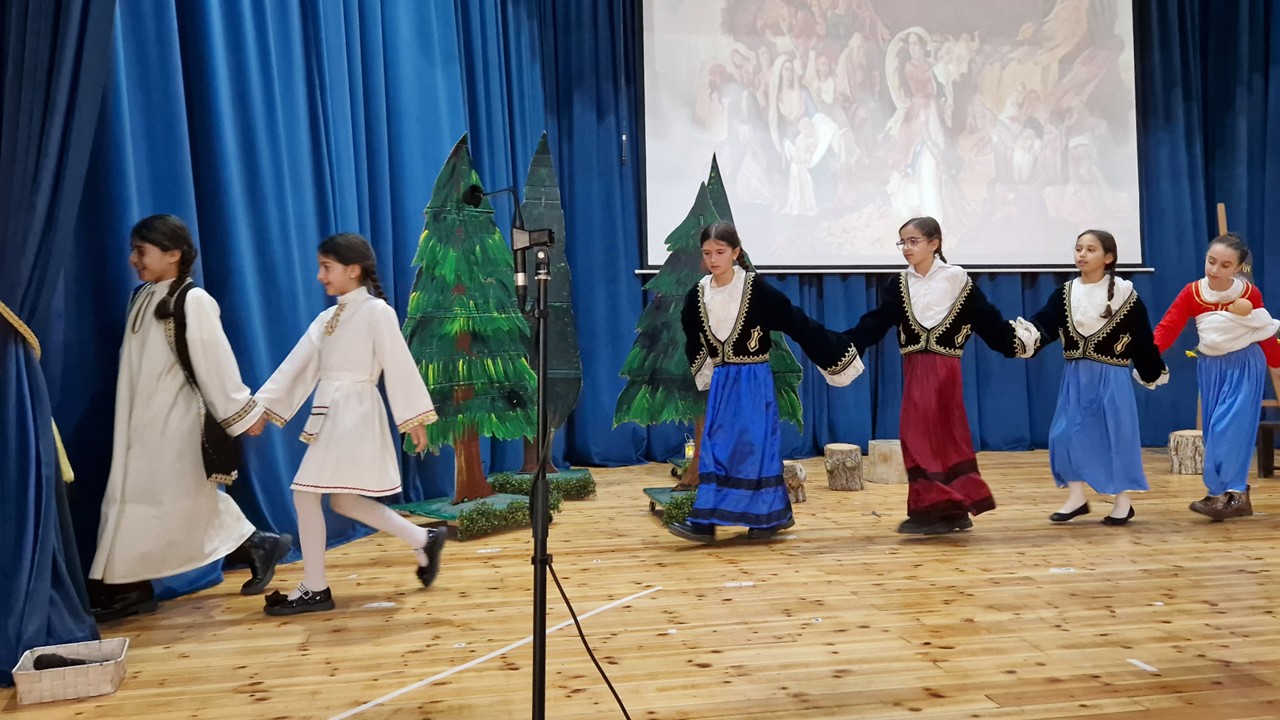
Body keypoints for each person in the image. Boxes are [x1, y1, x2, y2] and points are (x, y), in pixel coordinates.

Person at [90, 214, 290, 622]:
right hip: (141, 422)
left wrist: (242, 414)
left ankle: (131, 587)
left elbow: (215, 363)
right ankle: (256, 544)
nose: (132, 260)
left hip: (175, 423)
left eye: (141, 251)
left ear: (173, 254)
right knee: (155, 501)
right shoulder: (142, 296)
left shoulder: (192, 300)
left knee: (162, 502)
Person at [254, 234, 444, 615]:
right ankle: (422, 538)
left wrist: (414, 418)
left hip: (356, 416)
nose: (320, 276)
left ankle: (315, 587)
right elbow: (297, 365)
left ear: (353, 269)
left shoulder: (377, 312)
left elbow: (398, 363)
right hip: (332, 416)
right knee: (342, 500)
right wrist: (261, 408)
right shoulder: (327, 319)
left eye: (327, 267)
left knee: (305, 494)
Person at [668, 222, 861, 543]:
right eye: (707, 253)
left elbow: (796, 321)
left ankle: (766, 518)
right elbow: (692, 335)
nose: (713, 259)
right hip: (723, 382)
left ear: (735, 253)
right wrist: (704, 372)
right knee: (716, 447)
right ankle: (706, 520)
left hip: (753, 380)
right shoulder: (698, 293)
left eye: (720, 252)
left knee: (754, 448)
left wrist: (834, 351)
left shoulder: (755, 289)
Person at [844, 217, 1024, 534]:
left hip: (944, 371)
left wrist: (1016, 342)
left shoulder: (955, 278)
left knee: (936, 436)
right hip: (915, 369)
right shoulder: (900, 284)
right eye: (902, 242)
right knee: (918, 437)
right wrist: (845, 345)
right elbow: (875, 323)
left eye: (913, 241)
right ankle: (947, 510)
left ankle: (938, 510)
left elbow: (988, 320)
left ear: (934, 243)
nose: (906, 248)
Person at [1013, 230, 1167, 525]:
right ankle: (1077, 497)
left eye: (1090, 249)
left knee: (1114, 438)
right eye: (1079, 248)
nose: (1082, 254)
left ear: (1108, 258)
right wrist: (1023, 337)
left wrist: (1150, 370)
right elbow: (1044, 325)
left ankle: (1123, 502)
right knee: (1063, 435)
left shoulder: (1125, 295)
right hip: (1076, 378)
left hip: (1111, 380)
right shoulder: (1065, 293)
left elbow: (1142, 340)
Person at [1153, 233, 1280, 521]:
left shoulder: (1248, 294)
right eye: (1211, 261)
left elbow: (1262, 329)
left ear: (1237, 268)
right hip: (1211, 367)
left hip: (1244, 364)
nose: (1215, 269)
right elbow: (1169, 326)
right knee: (1213, 433)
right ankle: (1223, 494)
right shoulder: (1192, 292)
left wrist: (1276, 363)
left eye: (1225, 265)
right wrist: (1149, 354)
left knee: (1230, 429)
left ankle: (1235, 492)